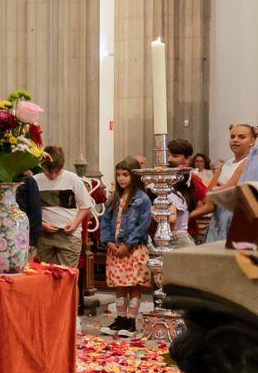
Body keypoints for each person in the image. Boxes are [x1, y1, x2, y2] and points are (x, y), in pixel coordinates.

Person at [98, 158, 154, 336]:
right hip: (115, 248)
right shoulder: (114, 198)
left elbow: (143, 224)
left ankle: (130, 321)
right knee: (119, 285)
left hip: (133, 249)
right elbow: (105, 221)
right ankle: (120, 318)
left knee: (133, 285)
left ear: (134, 176)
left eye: (125, 175)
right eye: (119, 174)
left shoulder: (142, 199)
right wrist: (108, 241)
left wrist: (128, 244)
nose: (121, 178)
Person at [189, 123, 255, 245]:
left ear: (252, 142)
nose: (235, 140)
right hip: (218, 219)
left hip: (237, 219)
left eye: (241, 137)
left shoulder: (250, 163)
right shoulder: (225, 165)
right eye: (232, 136)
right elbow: (209, 199)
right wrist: (186, 217)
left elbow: (227, 192)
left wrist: (218, 190)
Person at [34, 146, 91, 267]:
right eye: (49, 172)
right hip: (45, 236)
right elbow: (29, 210)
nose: (53, 176)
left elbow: (85, 206)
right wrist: (42, 224)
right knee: (46, 276)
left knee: (66, 276)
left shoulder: (72, 179)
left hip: (69, 236)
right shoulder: (35, 181)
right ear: (42, 166)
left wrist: (75, 224)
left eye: (57, 171)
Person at [166, 138, 205, 248]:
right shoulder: (168, 180)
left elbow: (210, 204)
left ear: (187, 159)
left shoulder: (192, 179)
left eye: (175, 156)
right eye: (168, 155)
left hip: (185, 232)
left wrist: (186, 216)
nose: (169, 159)